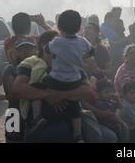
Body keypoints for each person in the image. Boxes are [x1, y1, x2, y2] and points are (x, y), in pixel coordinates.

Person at [13, 31, 98, 143]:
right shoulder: (31, 63)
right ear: (44, 46)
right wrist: (48, 95)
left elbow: (88, 92)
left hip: (71, 126)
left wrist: (62, 95)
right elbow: (18, 89)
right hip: (42, 129)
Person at [31, 10, 93, 142]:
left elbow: (47, 48)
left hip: (56, 80)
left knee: (36, 86)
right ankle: (78, 136)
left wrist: (57, 95)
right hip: (74, 80)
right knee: (75, 107)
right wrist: (80, 58)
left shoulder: (57, 43)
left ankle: (36, 118)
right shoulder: (82, 41)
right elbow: (92, 51)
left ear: (59, 27)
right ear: (78, 27)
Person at [2, 36, 37, 142]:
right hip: (14, 113)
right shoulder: (10, 69)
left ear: (35, 50)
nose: (26, 52)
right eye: (22, 49)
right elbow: (13, 95)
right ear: (17, 51)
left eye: (29, 48)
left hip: (33, 114)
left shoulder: (40, 68)